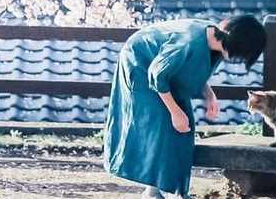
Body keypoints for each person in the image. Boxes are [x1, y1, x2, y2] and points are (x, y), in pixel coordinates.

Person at [103, 16, 267, 198]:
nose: (240, 58)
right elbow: (158, 75)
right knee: (162, 123)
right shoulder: (189, 42)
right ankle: (158, 192)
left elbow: (193, 68)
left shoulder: (215, 41)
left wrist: (209, 94)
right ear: (238, 44)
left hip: (161, 69)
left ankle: (169, 191)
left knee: (183, 127)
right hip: (140, 62)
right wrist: (175, 112)